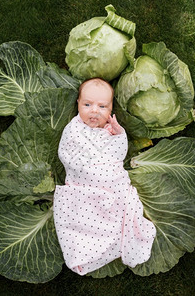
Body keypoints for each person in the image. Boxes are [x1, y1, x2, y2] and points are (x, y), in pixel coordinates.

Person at [53, 78, 156, 275]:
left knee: (116, 210)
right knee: (81, 218)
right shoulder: (74, 129)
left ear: (111, 109)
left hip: (110, 184)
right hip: (82, 186)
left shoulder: (111, 131)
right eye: (87, 105)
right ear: (78, 105)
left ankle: (112, 237)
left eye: (102, 106)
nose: (94, 111)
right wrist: (87, 168)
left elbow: (119, 154)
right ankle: (90, 245)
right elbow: (66, 154)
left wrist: (118, 135)